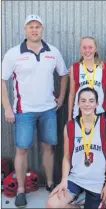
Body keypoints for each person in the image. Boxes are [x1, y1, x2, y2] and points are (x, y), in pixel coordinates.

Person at [1, 15, 68, 208]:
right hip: (24, 111)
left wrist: (61, 98)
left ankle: (49, 184)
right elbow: (2, 81)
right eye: (30, 27)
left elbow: (63, 75)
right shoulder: (14, 53)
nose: (34, 30)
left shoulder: (52, 52)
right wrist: (7, 108)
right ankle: (21, 190)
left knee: (49, 147)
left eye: (37, 26)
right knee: (22, 149)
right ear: (25, 30)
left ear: (42, 29)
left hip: (48, 109)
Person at [46, 87, 106, 208]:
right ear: (77, 104)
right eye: (83, 101)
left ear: (97, 104)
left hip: (97, 182)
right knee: (52, 204)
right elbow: (67, 157)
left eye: (91, 101)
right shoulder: (70, 127)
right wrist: (63, 180)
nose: (87, 104)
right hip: (76, 179)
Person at [68, 36, 106, 121]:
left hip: (98, 111)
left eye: (90, 47)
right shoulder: (75, 68)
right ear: (80, 49)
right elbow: (72, 94)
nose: (87, 50)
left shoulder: (104, 67)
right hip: (80, 112)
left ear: (96, 49)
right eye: (84, 47)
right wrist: (69, 117)